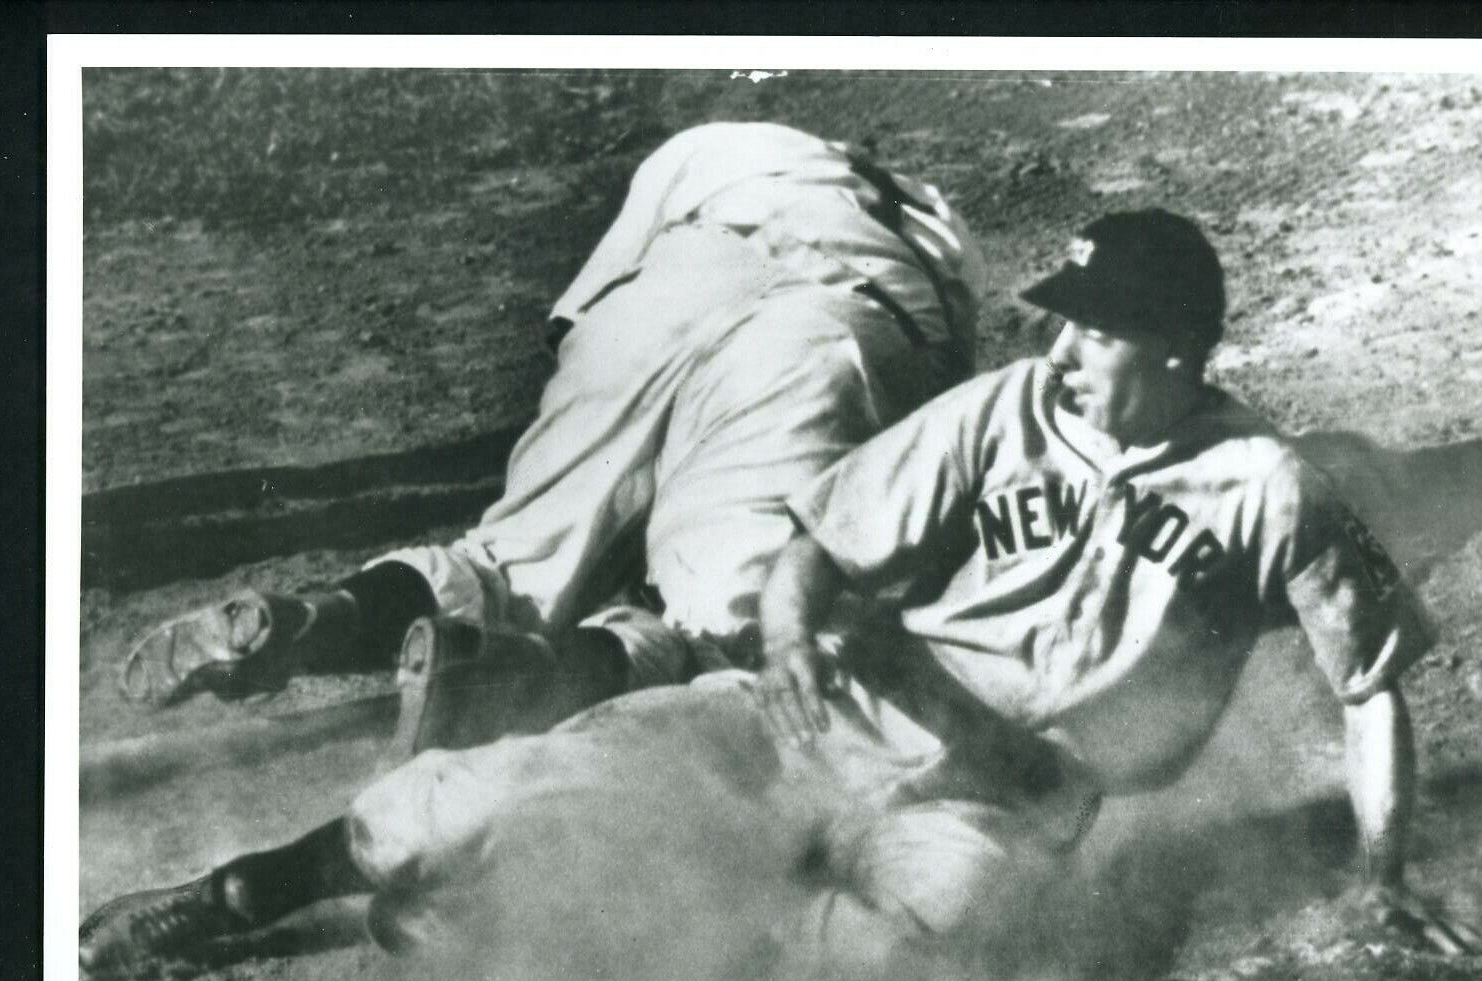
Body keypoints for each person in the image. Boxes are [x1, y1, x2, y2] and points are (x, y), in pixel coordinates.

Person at [81, 208, 1482, 981]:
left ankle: (542, 924)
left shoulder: (1269, 490)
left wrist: (1380, 867)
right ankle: (246, 888)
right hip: (816, 713)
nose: (1056, 344)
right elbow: (817, 545)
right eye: (1057, 321)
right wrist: (785, 632)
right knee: (492, 787)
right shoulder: (1002, 406)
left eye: (1092, 328)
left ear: (1171, 352)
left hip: (996, 800)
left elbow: (1368, 686)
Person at [116, 121, 985, 755]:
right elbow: (904, 468)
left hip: (681, 271)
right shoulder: (946, 246)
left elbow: (575, 331)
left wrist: (595, 510)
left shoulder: (721, 146)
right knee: (721, 620)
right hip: (841, 328)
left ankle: (320, 615)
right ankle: (518, 677)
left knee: (507, 557)